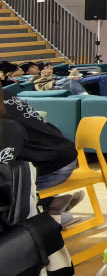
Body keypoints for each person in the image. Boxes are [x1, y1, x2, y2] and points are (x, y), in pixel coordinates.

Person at [1, 95, 80, 224]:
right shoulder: (6, 95)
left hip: (56, 164)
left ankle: (48, 217)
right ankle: (51, 205)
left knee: (11, 181)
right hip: (63, 152)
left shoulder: (8, 123)